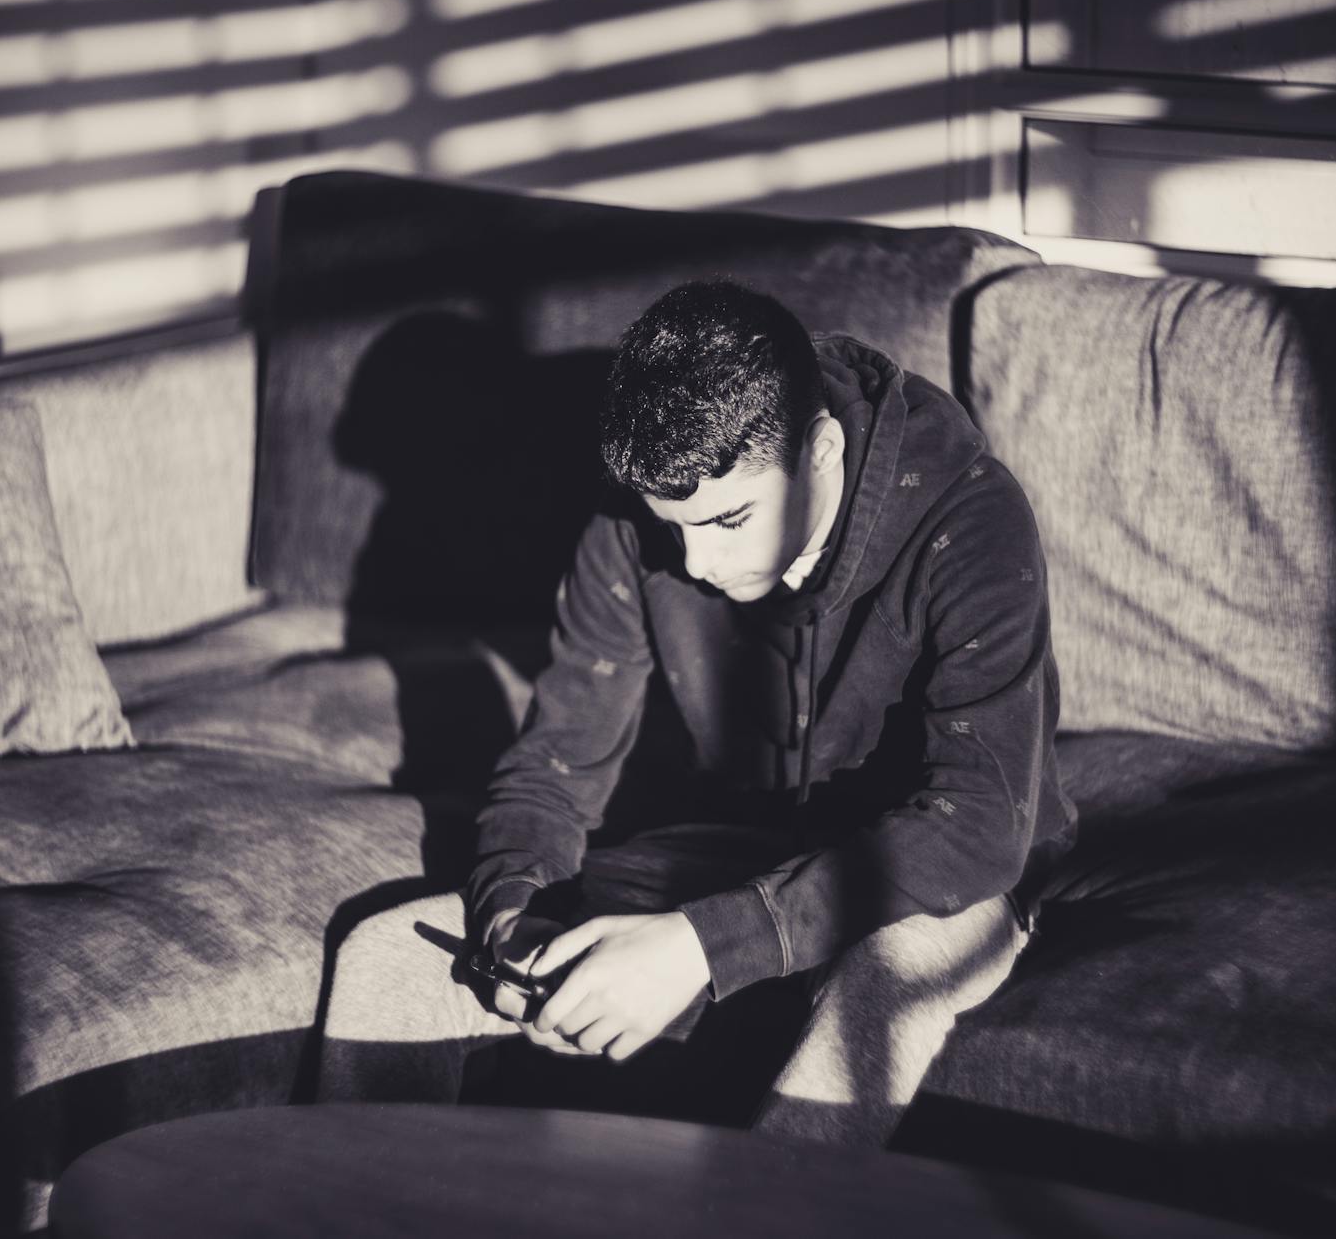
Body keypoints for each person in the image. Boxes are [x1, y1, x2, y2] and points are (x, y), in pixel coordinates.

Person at [323, 280, 1074, 1145]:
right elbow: (555, 767)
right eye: (671, 526)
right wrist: (512, 913)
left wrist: (698, 947)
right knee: (387, 954)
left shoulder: (972, 516)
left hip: (939, 875)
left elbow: (980, 824)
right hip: (738, 847)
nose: (697, 561)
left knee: (880, 992)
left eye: (730, 519)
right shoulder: (635, 522)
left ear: (820, 450)